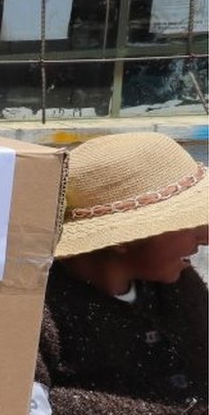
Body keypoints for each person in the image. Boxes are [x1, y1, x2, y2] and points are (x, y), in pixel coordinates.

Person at [34, 132, 208, 414]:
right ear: (122, 239)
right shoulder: (39, 315)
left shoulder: (181, 289)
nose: (206, 237)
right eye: (188, 224)